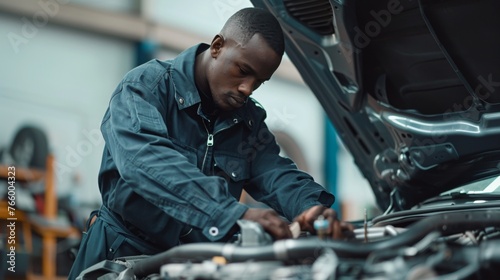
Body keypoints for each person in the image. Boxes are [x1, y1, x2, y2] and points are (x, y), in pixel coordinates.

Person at [68, 7, 351, 279]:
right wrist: (230, 213)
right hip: (120, 254)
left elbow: (276, 172)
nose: (247, 89)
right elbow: (145, 160)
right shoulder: (146, 88)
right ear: (217, 46)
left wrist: (312, 207)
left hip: (192, 264)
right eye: (243, 70)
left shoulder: (247, 122)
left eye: (259, 82)